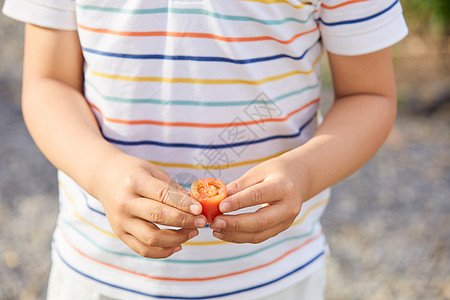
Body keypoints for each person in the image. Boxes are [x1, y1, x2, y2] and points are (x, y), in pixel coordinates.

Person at [3, 0, 408, 299]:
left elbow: (368, 94)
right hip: (100, 274)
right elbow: (48, 82)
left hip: (274, 280)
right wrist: (101, 172)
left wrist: (304, 172)